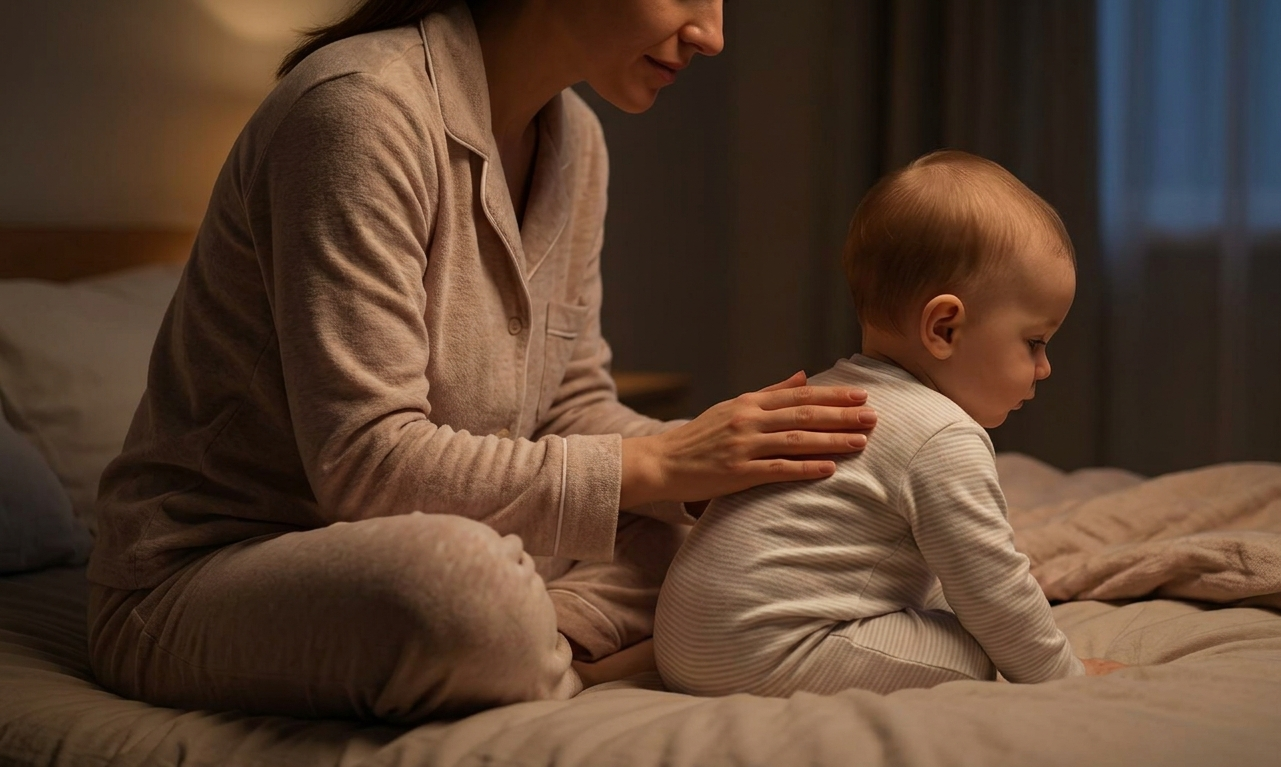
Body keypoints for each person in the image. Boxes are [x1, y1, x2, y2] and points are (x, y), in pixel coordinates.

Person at [85, 0, 879, 723]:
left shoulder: (575, 142)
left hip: (456, 535)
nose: (712, 34)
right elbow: (366, 466)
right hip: (215, 573)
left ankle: (547, 643)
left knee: (746, 526)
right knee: (461, 588)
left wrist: (726, 473)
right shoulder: (358, 110)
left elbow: (570, 406)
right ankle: (578, 653)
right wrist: (666, 462)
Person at [654, 150, 1125, 698]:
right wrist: (1065, 676)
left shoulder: (829, 393)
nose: (1044, 368)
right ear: (944, 328)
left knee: (949, 606)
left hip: (687, 643)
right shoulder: (942, 436)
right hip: (765, 654)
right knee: (977, 653)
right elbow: (993, 588)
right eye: (1035, 342)